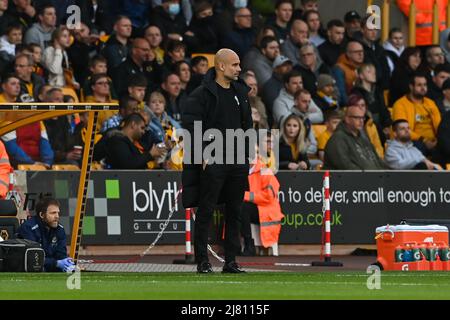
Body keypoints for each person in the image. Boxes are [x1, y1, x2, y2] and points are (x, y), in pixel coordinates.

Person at [182, 48, 253, 274]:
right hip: (213, 159)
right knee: (206, 210)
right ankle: (202, 260)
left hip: (237, 160)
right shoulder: (202, 94)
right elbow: (192, 126)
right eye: (235, 64)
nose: (239, 69)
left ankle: (231, 261)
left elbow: (247, 125)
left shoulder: (240, 93)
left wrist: (247, 153)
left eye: (239, 64)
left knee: (235, 212)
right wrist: (202, 153)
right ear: (221, 66)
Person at [240, 132, 284, 256]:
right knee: (234, 205)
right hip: (251, 209)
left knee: (241, 206)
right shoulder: (238, 171)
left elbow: (269, 196)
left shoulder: (265, 170)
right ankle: (236, 244)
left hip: (266, 210)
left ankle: (249, 245)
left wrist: (245, 196)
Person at [17, 197, 75, 272]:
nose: (57, 216)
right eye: (53, 213)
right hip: (32, 269)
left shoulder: (60, 229)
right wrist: (56, 263)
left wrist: (66, 262)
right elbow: (33, 258)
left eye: (58, 213)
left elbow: (61, 255)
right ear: (41, 215)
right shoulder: (28, 228)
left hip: (50, 267)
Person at [392, 73, 441, 157]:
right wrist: (424, 140)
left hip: (433, 140)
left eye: (425, 85)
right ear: (411, 87)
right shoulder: (400, 104)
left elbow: (440, 125)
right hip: (413, 141)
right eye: (419, 85)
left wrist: (439, 139)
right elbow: (402, 130)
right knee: (419, 147)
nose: (423, 88)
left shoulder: (430, 103)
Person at [324, 104, 387, 170]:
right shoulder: (337, 139)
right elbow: (346, 166)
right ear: (347, 119)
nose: (361, 121)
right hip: (351, 179)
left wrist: (387, 174)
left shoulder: (364, 138)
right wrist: (369, 176)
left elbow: (377, 161)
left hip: (373, 178)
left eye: (362, 118)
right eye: (357, 117)